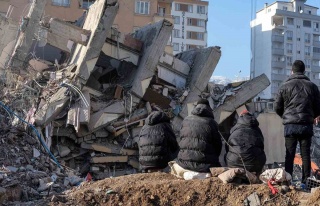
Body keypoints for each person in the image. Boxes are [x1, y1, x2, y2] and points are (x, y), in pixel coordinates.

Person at [274, 60, 320, 184]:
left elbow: (277, 107)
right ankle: (306, 181)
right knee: (306, 155)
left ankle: (288, 181)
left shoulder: (284, 86)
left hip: (290, 126)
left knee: (289, 154)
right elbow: (318, 108)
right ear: (304, 71)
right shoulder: (312, 87)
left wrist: (285, 116)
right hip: (306, 125)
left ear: (292, 71)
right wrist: (311, 117)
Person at [177, 99, 222, 172]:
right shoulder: (211, 122)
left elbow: (181, 139)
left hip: (183, 163)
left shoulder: (186, 120)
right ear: (209, 108)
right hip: (204, 165)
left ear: (196, 107)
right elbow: (218, 145)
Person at [226, 110, 266, 174]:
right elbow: (262, 145)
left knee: (229, 154)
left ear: (240, 117)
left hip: (235, 162)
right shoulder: (257, 129)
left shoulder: (234, 128)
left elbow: (227, 146)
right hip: (254, 164)